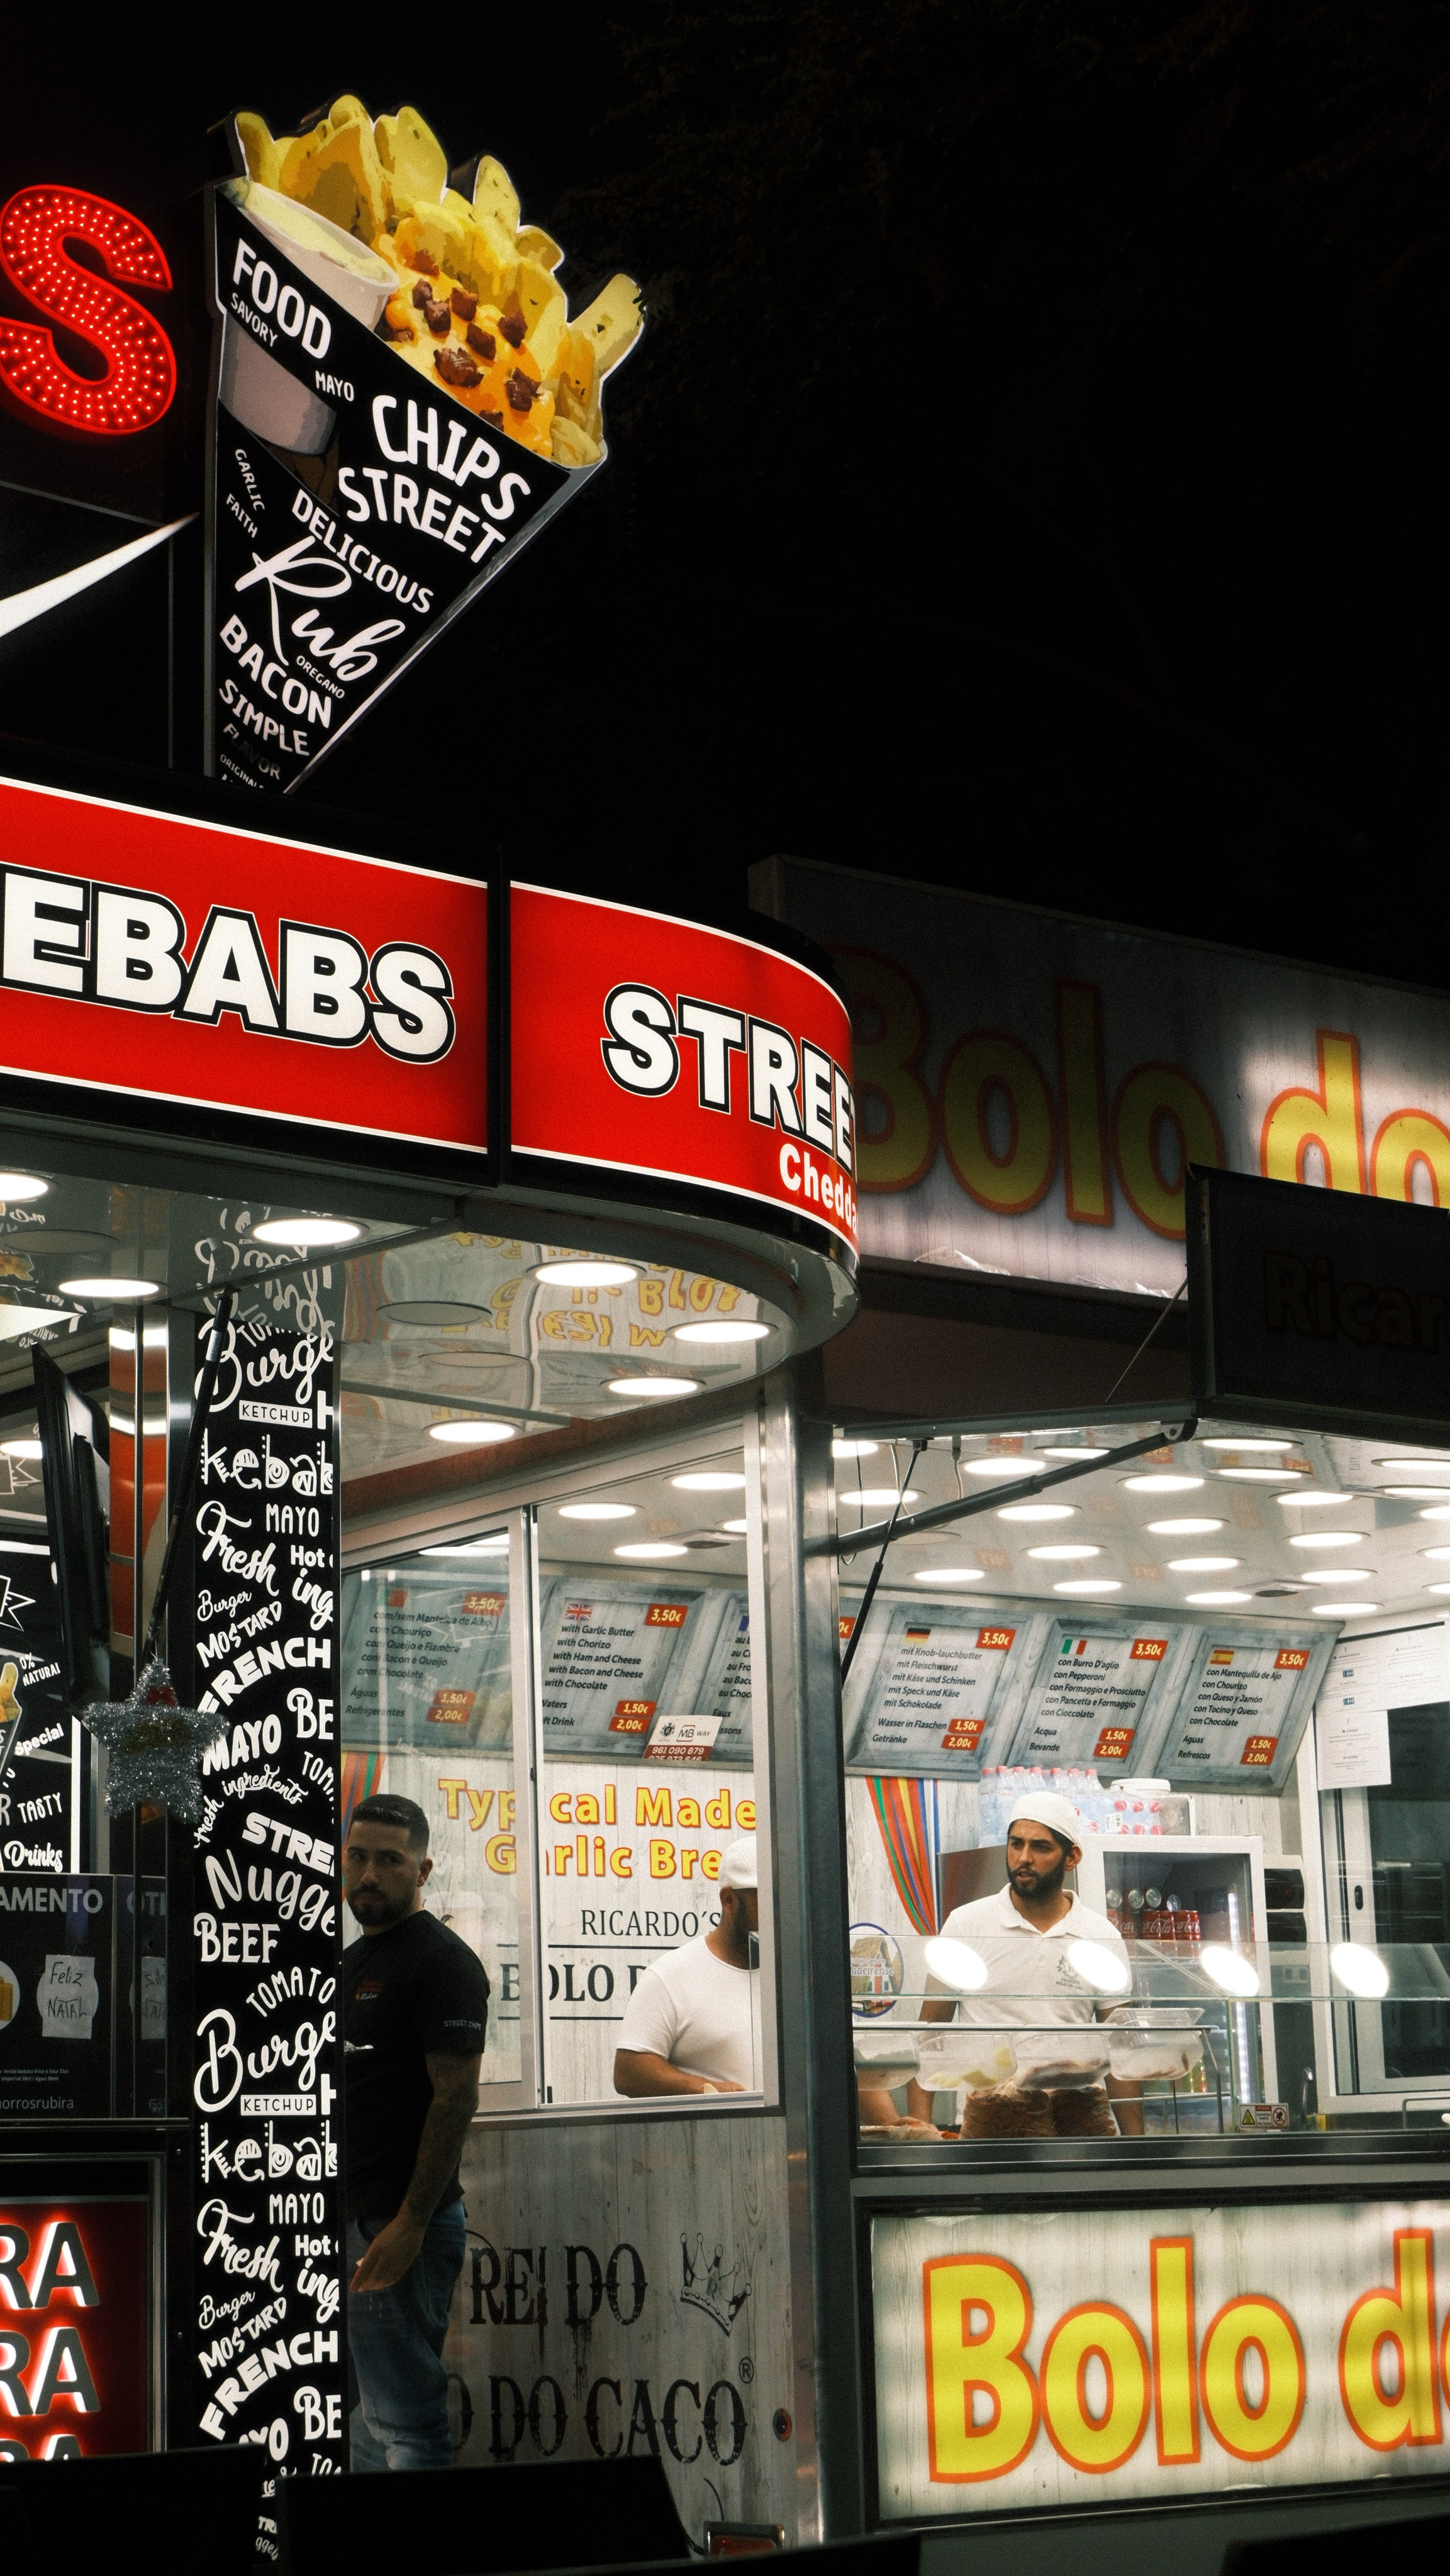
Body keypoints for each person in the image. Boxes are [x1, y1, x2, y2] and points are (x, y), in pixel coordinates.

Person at [342, 1792, 490, 2469]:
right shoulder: (353, 1962)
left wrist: (409, 2223)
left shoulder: (441, 1961)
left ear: (423, 1869)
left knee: (405, 2423)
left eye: (389, 1860)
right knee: (363, 2425)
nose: (369, 1874)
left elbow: (455, 2099)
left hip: (400, 2223)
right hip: (360, 2217)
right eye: (357, 1857)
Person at [906, 1790, 1144, 2138]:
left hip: (1075, 2128)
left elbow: (1120, 2047)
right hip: (989, 2124)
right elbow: (930, 2034)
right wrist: (920, 2133)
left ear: (1072, 1857)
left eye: (1041, 1847)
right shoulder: (966, 1924)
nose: (1024, 1858)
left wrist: (1136, 2145)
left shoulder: (1100, 1935)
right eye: (1016, 1844)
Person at [614, 1836, 760, 2096]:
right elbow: (629, 2073)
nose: (780, 1911)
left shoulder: (798, 1974)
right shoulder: (671, 1975)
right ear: (729, 1901)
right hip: (723, 2124)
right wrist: (712, 2091)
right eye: (766, 1900)